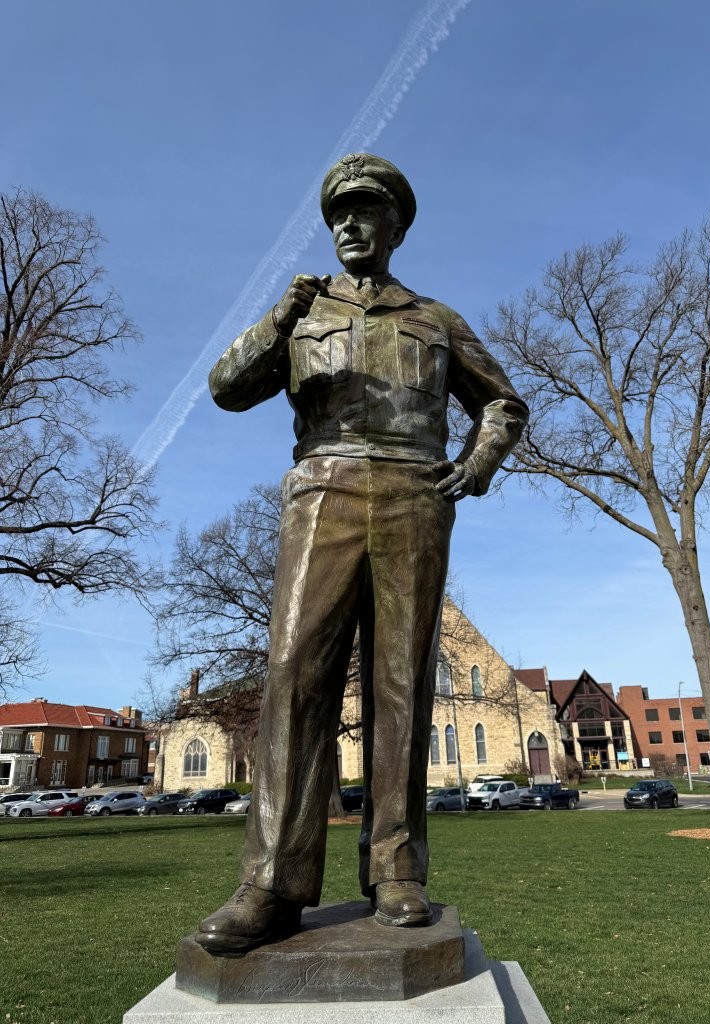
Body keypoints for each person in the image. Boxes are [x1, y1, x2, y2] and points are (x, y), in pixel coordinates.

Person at [196, 153, 528, 955]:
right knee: (293, 673)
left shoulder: (434, 318)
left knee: (402, 683)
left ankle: (396, 870)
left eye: (365, 209)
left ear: (395, 226)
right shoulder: (303, 311)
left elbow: (503, 403)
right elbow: (227, 387)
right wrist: (279, 319)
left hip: (416, 494)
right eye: (337, 212)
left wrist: (476, 466)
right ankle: (271, 884)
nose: (348, 223)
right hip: (324, 489)